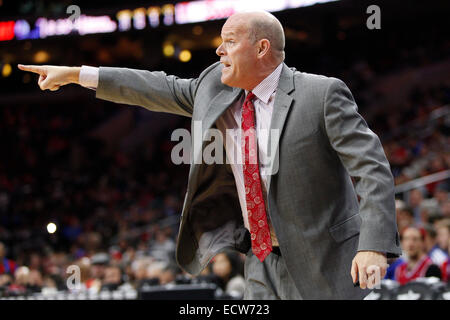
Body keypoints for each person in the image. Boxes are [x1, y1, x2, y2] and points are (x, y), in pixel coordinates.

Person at [18, 11, 401, 299]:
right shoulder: (213, 88)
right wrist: (78, 74)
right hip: (260, 259)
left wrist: (372, 245)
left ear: (262, 47)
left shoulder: (321, 94)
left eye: (229, 41)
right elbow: (157, 86)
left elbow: (372, 169)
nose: (219, 49)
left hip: (326, 258)